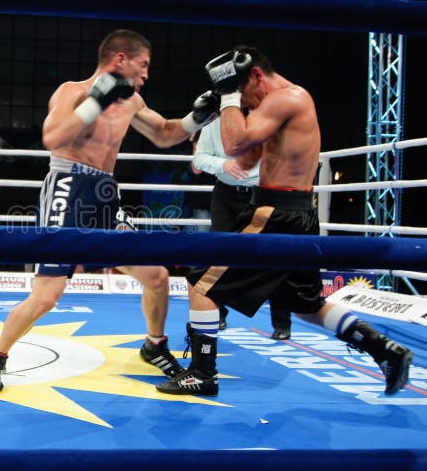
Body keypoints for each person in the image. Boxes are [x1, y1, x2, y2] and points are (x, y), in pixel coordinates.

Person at [157, 45, 413, 397]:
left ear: (257, 76)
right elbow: (245, 162)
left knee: (201, 284)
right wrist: (225, 109)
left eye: (243, 91)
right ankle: (384, 350)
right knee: (306, 304)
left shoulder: (283, 98)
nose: (243, 102)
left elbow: (233, 145)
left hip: (274, 214)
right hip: (298, 214)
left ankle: (203, 372)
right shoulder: (277, 107)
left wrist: (228, 96)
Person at [0, 29, 220, 392]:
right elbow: (53, 137)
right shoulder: (72, 91)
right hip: (67, 188)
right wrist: (96, 101)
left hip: (106, 193)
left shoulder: (133, 102)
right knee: (47, 294)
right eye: (143, 64)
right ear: (120, 58)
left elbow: (165, 134)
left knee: (155, 276)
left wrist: (196, 118)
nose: (146, 74)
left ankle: (154, 345)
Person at [192, 118, 293, 339]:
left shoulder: (267, 117)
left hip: (263, 192)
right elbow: (198, 159)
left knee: (275, 253)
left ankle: (282, 322)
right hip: (225, 194)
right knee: (219, 254)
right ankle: (217, 313)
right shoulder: (215, 122)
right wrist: (223, 164)